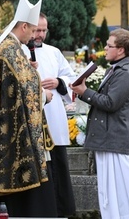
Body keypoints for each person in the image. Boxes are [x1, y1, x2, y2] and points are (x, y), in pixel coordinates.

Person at [0, 0, 57, 217]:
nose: (35, 35)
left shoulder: (12, 47)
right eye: (33, 30)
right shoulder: (9, 48)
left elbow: (21, 81)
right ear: (23, 26)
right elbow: (23, 89)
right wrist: (44, 95)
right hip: (15, 127)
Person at [70, 28, 129, 219]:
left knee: (120, 188)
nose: (105, 48)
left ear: (121, 50)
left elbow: (110, 103)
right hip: (109, 137)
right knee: (109, 190)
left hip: (114, 138)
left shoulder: (125, 72)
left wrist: (85, 91)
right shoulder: (119, 69)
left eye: (109, 45)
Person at [22, 12, 76, 217]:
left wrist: (58, 82)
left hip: (53, 117)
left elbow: (71, 78)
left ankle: (62, 210)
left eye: (44, 30)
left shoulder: (54, 52)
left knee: (58, 166)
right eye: (37, 30)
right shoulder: (19, 51)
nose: (40, 34)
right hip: (32, 119)